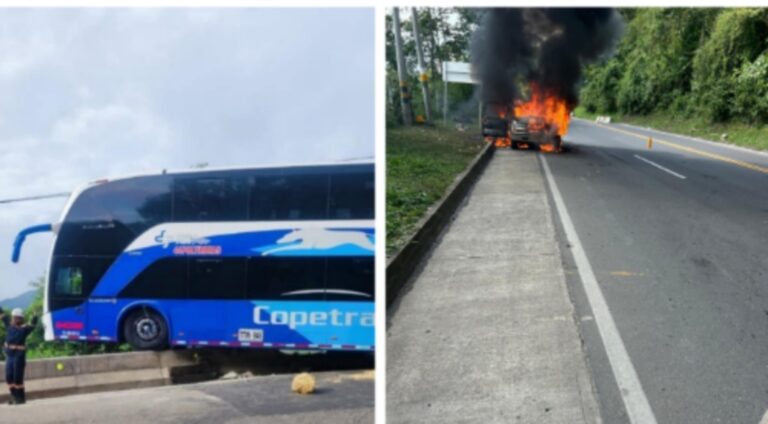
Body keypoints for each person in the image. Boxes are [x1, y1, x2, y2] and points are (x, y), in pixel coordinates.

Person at [0, 307, 38, 405]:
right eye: (14, 317)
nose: (15, 319)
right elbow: (2, 314)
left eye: (18, 318)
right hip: (10, 355)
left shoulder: (25, 329)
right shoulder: (9, 324)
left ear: (21, 319)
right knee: (9, 377)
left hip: (19, 356)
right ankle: (14, 396)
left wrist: (34, 317)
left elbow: (33, 325)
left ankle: (20, 398)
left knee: (18, 378)